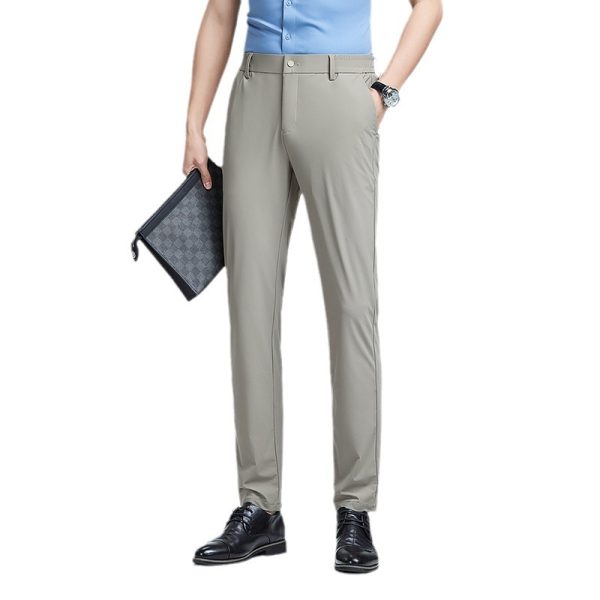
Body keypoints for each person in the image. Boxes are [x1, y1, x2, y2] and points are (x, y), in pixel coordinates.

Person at [183, 0, 443, 573]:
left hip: (340, 93)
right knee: (249, 307)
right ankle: (259, 506)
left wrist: (383, 93)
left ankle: (355, 507)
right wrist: (194, 123)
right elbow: (221, 12)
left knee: (352, 306)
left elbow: (429, 8)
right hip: (254, 94)